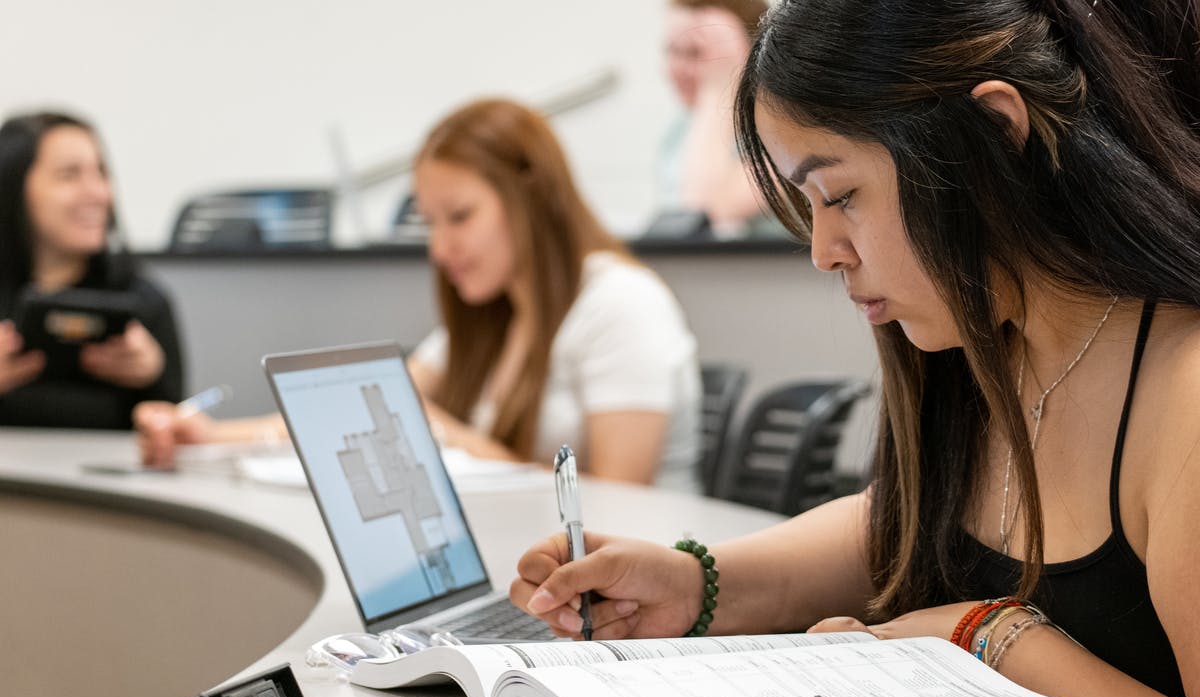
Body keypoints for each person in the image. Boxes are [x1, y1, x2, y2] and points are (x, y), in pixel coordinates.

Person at [512, 1, 1200, 697]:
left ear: (994, 136)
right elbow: (911, 521)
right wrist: (697, 586)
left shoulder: (1181, 390)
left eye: (838, 195)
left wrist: (987, 636)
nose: (821, 250)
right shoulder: (987, 337)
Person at [138, 99, 702, 491]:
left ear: (533, 196)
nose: (441, 248)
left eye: (459, 217)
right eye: (430, 223)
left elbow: (617, 502)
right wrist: (210, 437)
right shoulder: (495, 316)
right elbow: (358, 410)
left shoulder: (622, 303)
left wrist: (454, 440)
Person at [0, 111, 183, 428]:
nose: (97, 193)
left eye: (100, 173)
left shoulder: (141, 301)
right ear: (14, 185)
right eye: (69, 175)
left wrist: (153, 375)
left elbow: (175, 426)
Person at [655, 0, 775, 238]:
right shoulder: (680, 129)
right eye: (672, 50)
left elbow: (700, 216)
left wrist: (719, 88)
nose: (677, 68)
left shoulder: (783, 132)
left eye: (695, 52)